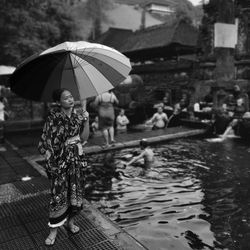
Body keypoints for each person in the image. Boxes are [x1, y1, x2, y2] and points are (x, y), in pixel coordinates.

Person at [38, 88, 89, 246]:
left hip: (75, 158)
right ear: (58, 101)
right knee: (58, 193)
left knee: (75, 190)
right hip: (59, 160)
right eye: (66, 98)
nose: (70, 99)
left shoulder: (79, 114)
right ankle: (53, 230)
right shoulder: (53, 117)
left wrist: (86, 120)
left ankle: (71, 222)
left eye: (71, 97)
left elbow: (85, 137)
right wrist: (51, 153)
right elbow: (47, 139)